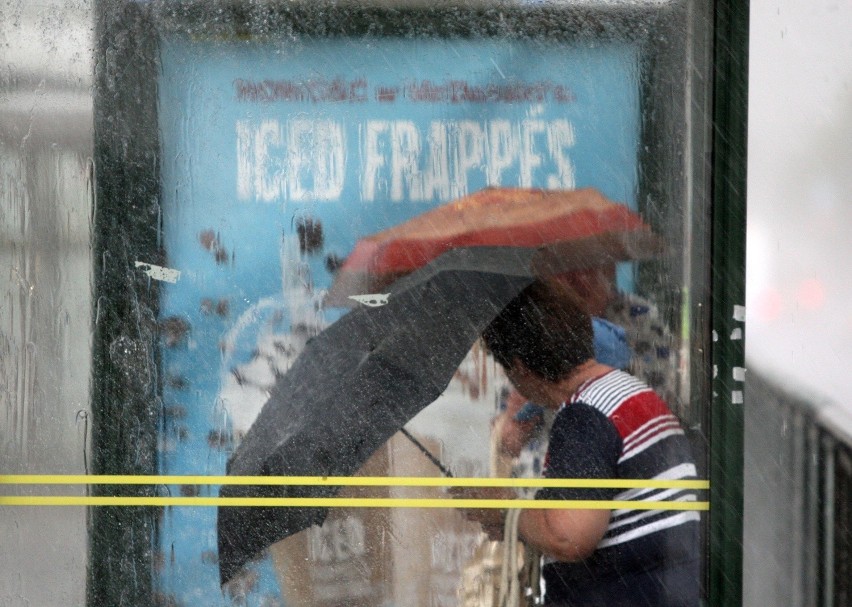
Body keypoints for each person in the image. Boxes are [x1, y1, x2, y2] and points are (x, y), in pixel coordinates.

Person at [456, 278, 700, 607]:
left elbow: (568, 535)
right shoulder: (628, 393)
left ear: (520, 369)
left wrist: (506, 510)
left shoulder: (585, 416)